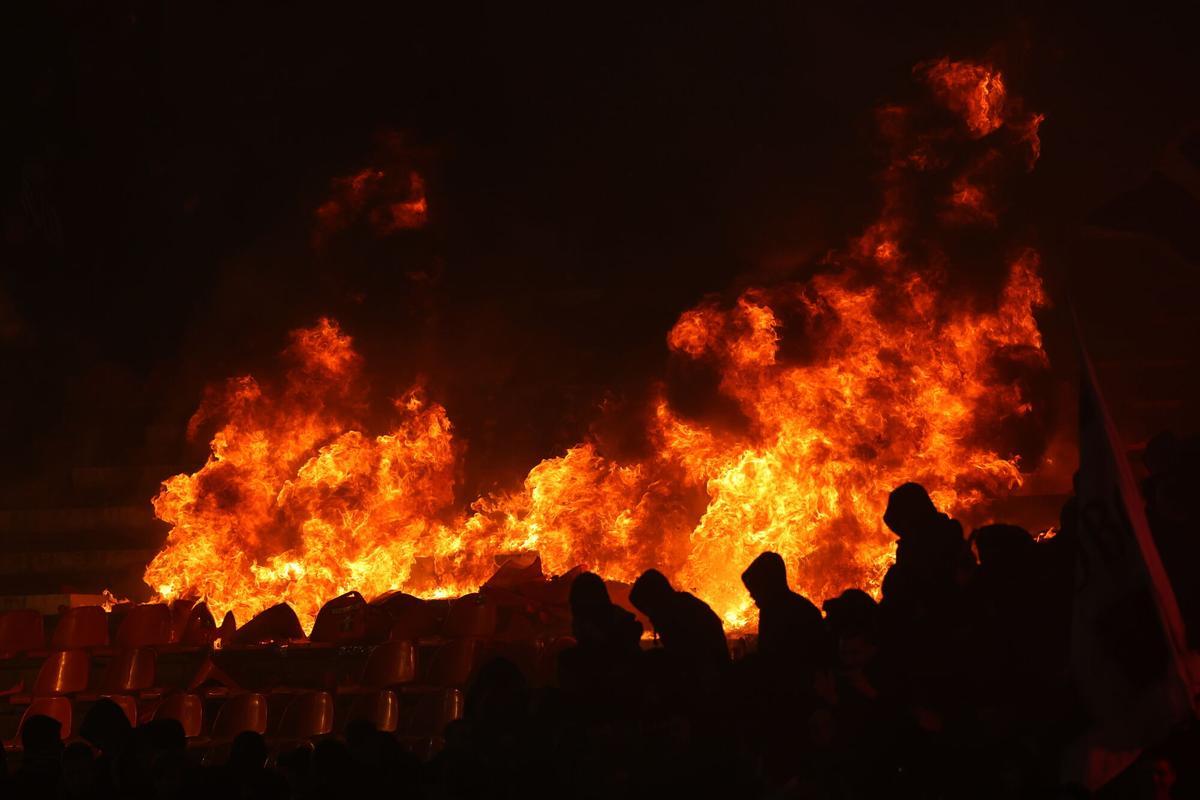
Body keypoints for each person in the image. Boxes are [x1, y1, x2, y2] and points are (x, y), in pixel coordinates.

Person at [741, 551, 830, 672]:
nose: (752, 595)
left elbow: (775, 660)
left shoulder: (793, 613)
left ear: (767, 586)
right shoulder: (771, 609)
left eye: (755, 589)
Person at [629, 569, 729, 668]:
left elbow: (688, 657)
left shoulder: (677, 614)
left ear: (655, 600)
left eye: (648, 609)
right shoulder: (682, 605)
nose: (650, 618)